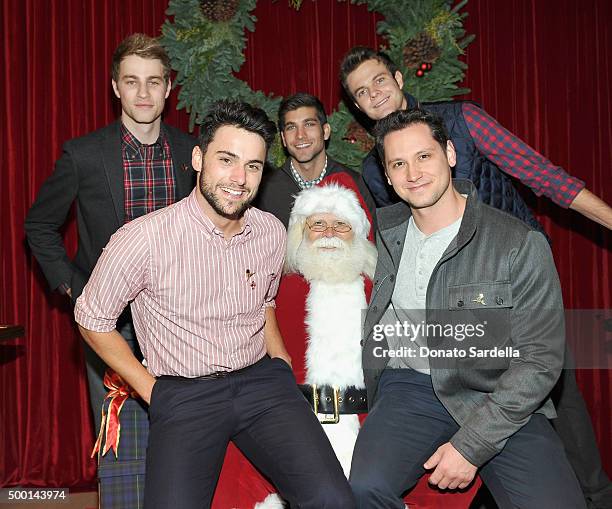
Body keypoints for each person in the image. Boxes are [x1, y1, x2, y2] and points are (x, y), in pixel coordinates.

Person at [340, 46, 612, 508]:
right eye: (361, 93)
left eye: (379, 81)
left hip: (506, 300)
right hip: (422, 373)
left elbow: (544, 177)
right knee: (365, 484)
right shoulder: (379, 197)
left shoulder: (463, 121)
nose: (374, 94)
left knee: (553, 395)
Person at [73, 100, 355, 509]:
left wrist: (279, 361)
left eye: (254, 166)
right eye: (227, 160)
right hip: (184, 396)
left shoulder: (270, 232)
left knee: (335, 501)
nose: (239, 179)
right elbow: (91, 319)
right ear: (199, 158)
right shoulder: (143, 239)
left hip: (263, 384)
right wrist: (152, 391)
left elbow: (266, 300)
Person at [24, 33, 197, 431]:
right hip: (109, 322)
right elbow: (39, 225)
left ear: (168, 88)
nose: (142, 92)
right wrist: (76, 287)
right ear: (116, 86)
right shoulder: (82, 155)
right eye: (132, 81)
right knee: (120, 445)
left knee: (183, 434)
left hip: (180, 319)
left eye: (153, 81)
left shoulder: (192, 153)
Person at [254, 92, 376, 227]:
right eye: (291, 127)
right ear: (283, 138)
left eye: (309, 124)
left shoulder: (352, 184)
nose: (300, 135)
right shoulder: (266, 190)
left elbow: (368, 243)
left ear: (326, 131)